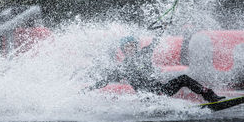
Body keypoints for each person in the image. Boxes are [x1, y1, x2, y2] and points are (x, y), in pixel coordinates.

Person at [90, 36, 225, 102]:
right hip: (147, 97)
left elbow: (155, 41)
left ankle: (210, 96)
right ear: (123, 50)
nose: (130, 48)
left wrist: (163, 27)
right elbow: (106, 80)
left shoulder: (144, 53)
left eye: (132, 46)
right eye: (127, 47)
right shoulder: (123, 67)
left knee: (183, 78)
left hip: (161, 90)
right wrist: (89, 89)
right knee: (153, 94)